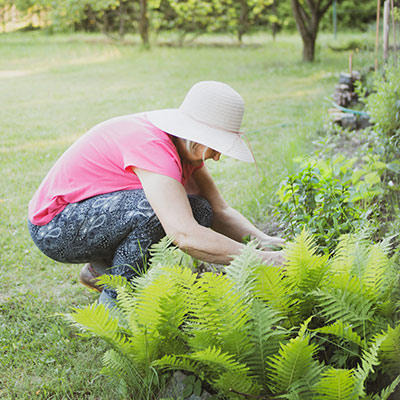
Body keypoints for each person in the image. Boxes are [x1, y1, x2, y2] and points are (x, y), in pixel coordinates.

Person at [28, 81, 285, 306]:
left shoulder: (184, 149)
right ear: (196, 137)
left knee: (200, 210)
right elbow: (184, 234)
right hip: (54, 227)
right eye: (217, 146)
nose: (217, 157)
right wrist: (263, 259)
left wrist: (268, 243)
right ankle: (117, 303)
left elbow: (220, 210)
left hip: (87, 217)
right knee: (155, 213)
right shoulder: (153, 147)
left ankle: (100, 271)